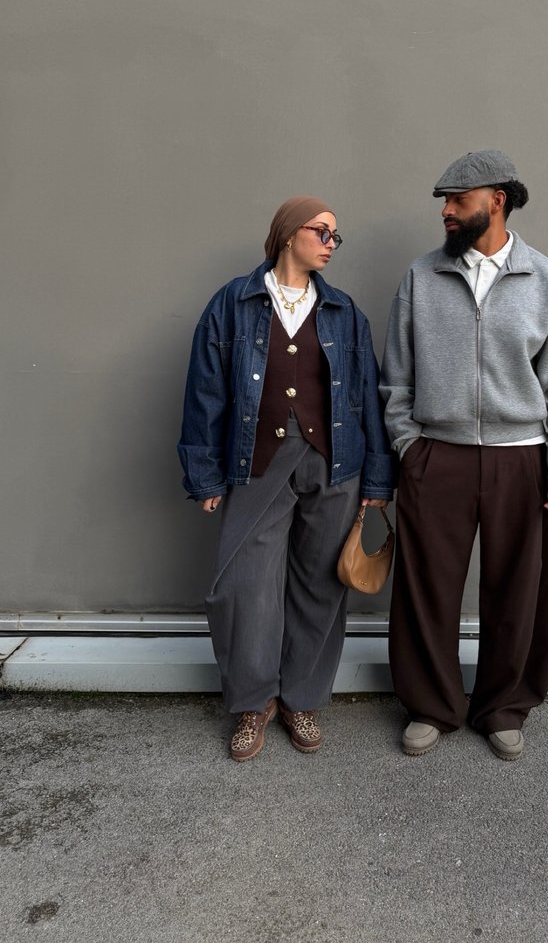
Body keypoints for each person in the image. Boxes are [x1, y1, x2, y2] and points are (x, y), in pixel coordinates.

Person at [380, 151, 548, 761]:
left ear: (496, 200)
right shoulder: (422, 278)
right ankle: (431, 705)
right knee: (426, 589)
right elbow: (396, 379)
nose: (446, 211)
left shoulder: (546, 280)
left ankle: (503, 705)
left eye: (457, 200)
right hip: (435, 454)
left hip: (520, 456)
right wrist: (408, 447)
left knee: (517, 591)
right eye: (443, 201)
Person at [178, 197, 394, 762]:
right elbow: (205, 392)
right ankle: (254, 702)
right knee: (245, 587)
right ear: (286, 234)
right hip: (256, 460)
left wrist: (377, 480)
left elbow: (367, 400)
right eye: (321, 231)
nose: (330, 243)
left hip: (336, 462)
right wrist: (204, 474)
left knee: (321, 583)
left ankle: (301, 697)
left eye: (335, 236)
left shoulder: (345, 311)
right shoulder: (233, 303)